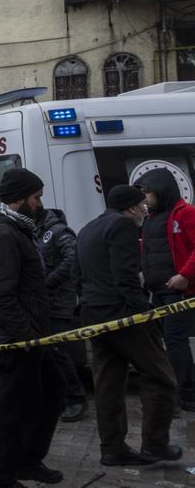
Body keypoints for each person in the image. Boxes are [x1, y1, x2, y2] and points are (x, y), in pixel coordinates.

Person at [0, 168, 65, 487]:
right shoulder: (3, 233)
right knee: (11, 409)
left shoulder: (13, 228)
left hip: (25, 333)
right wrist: (25, 334)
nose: (40, 204)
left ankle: (26, 461)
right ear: (20, 199)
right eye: (36, 197)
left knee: (49, 393)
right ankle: (1, 476)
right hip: (11, 336)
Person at [77, 184, 182, 467]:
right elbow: (125, 277)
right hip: (121, 316)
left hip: (93, 314)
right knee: (161, 376)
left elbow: (80, 275)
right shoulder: (122, 226)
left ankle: (112, 449)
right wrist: (144, 314)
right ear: (131, 208)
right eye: (142, 205)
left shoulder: (88, 229)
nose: (145, 209)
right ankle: (155, 444)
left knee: (108, 384)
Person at [134, 167, 195, 412]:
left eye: (148, 193)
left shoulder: (186, 213)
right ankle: (188, 393)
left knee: (175, 341)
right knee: (169, 341)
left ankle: (181, 395)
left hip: (177, 290)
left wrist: (185, 276)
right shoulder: (151, 218)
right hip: (156, 290)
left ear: (162, 191)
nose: (145, 199)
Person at [35, 205, 87, 422]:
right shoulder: (38, 232)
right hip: (45, 302)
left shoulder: (58, 232)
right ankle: (59, 397)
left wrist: (49, 281)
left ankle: (76, 398)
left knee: (58, 351)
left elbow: (72, 259)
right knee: (48, 352)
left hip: (59, 301)